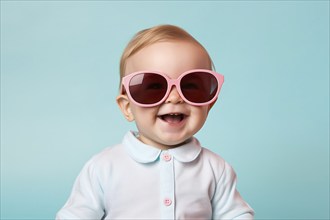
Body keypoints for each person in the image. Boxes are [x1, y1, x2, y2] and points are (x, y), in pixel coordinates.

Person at [56, 24, 254, 219]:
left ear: (208, 105)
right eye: (154, 87)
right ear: (127, 107)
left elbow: (236, 214)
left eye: (191, 85)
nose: (174, 98)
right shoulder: (104, 167)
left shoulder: (215, 168)